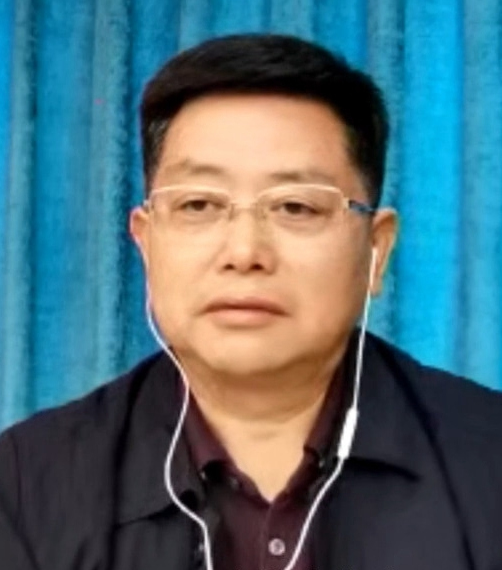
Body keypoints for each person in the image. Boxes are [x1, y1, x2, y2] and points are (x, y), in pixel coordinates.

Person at [1, 34, 502, 570]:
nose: (244, 253)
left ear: (376, 249)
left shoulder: (488, 465)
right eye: (199, 204)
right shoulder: (26, 488)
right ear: (146, 242)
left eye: (296, 207)